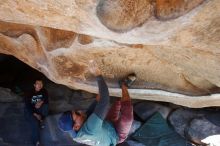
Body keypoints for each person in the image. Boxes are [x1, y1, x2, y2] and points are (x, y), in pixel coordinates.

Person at [59, 60, 135, 146]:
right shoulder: (90, 128)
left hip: (106, 124)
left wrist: (102, 84)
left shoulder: (76, 131)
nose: (79, 111)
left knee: (117, 103)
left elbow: (98, 101)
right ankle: (123, 85)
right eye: (77, 114)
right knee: (127, 119)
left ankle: (120, 95)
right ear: (76, 126)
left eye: (76, 111)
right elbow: (104, 99)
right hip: (116, 136)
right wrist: (97, 74)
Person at [24, 79, 49, 146]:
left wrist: (41, 102)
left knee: (46, 106)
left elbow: (46, 98)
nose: (40, 85)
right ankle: (36, 142)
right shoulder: (29, 93)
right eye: (38, 84)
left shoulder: (44, 91)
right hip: (30, 111)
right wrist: (35, 115)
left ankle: (41, 119)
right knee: (35, 124)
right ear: (34, 85)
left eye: (41, 84)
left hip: (38, 109)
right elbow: (27, 106)